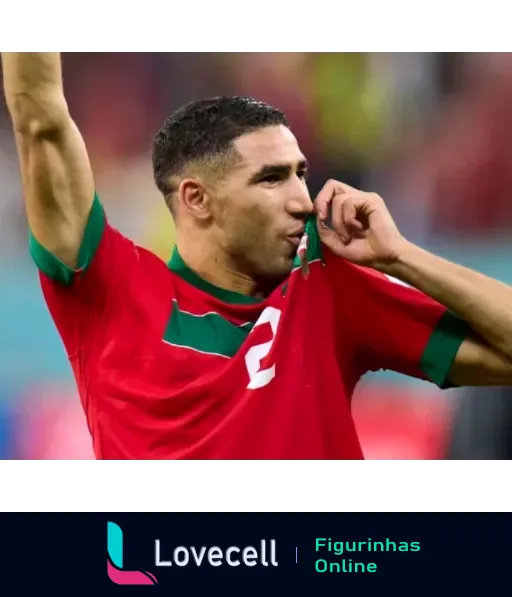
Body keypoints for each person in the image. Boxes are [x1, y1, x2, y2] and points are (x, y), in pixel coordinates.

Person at [4, 51, 512, 462]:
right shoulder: (108, 287)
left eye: (300, 173)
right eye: (271, 178)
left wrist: (401, 257)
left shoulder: (326, 287)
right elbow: (39, 119)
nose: (302, 199)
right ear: (196, 199)